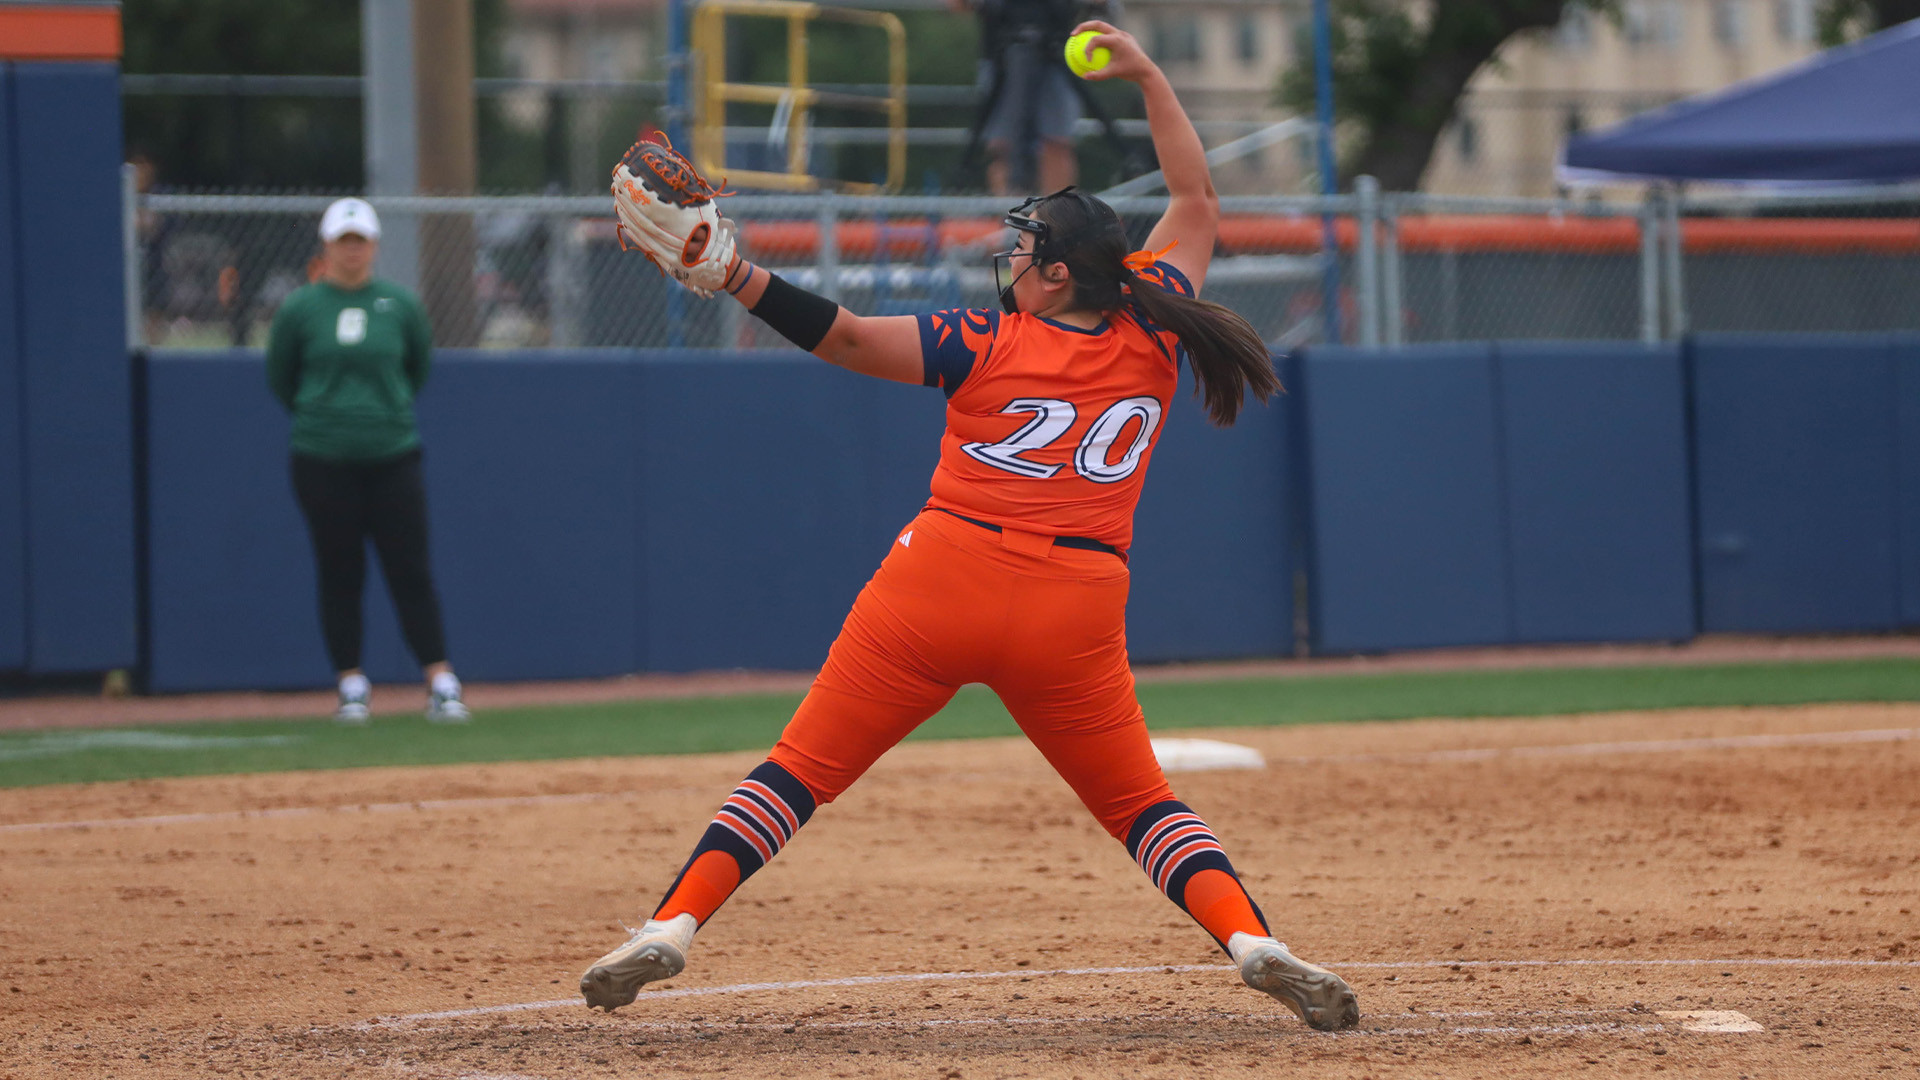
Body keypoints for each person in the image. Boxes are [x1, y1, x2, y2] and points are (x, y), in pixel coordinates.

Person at [585, 22, 1358, 1031]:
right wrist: (1150, 75)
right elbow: (1199, 201)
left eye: (1027, 248)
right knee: (1143, 809)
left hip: (941, 581)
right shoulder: (1154, 325)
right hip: (1075, 605)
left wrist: (736, 276)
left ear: (1057, 279)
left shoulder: (988, 341)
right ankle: (1256, 941)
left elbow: (852, 336)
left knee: (796, 772)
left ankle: (673, 926)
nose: (1013, 254)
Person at [265, 198, 471, 725]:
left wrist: (378, 414)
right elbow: (281, 379)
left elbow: (416, 369)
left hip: (391, 453)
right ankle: (351, 683)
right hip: (322, 457)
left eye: (360, 241)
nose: (352, 250)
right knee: (340, 570)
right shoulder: (301, 309)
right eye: (343, 241)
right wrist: (327, 417)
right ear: (327, 246)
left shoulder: (399, 305)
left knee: (410, 569)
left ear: (374, 246)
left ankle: (440, 680)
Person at [956, 0, 1115, 194]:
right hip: (1001, 52)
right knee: (1002, 148)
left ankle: (1059, 218)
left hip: (1055, 50)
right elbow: (959, 5)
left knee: (1056, 144)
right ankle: (1013, 219)